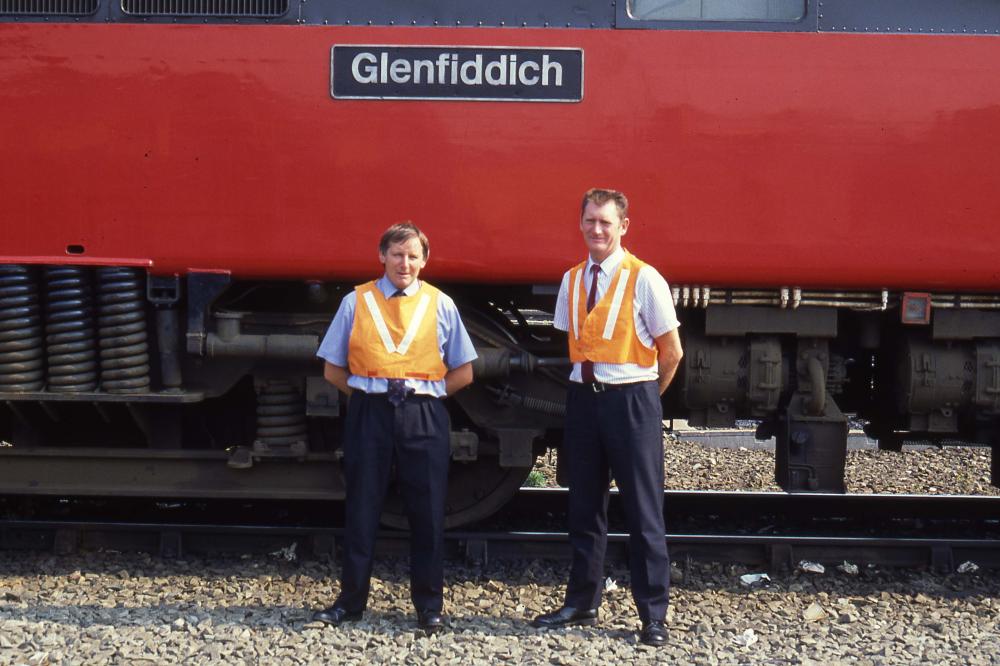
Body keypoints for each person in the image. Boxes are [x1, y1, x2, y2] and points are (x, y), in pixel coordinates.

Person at [532, 188, 683, 647]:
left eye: (606, 222)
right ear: (580, 223)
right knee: (583, 507)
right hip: (584, 400)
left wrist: (645, 398)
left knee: (643, 512)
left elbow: (671, 352)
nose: (597, 229)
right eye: (590, 221)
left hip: (631, 399)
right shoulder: (572, 280)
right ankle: (582, 601)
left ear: (623, 227)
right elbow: (574, 343)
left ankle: (653, 614)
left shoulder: (645, 278)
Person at [312, 222, 476, 634]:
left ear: (425, 260)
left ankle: (429, 607)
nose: (405, 263)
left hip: (423, 411)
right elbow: (332, 369)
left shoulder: (441, 304)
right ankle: (350, 603)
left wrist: (430, 397)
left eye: (413, 256)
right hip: (370, 411)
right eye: (398, 254)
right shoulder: (356, 302)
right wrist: (367, 396)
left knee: (427, 511)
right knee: (362, 507)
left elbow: (465, 371)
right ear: (381, 256)